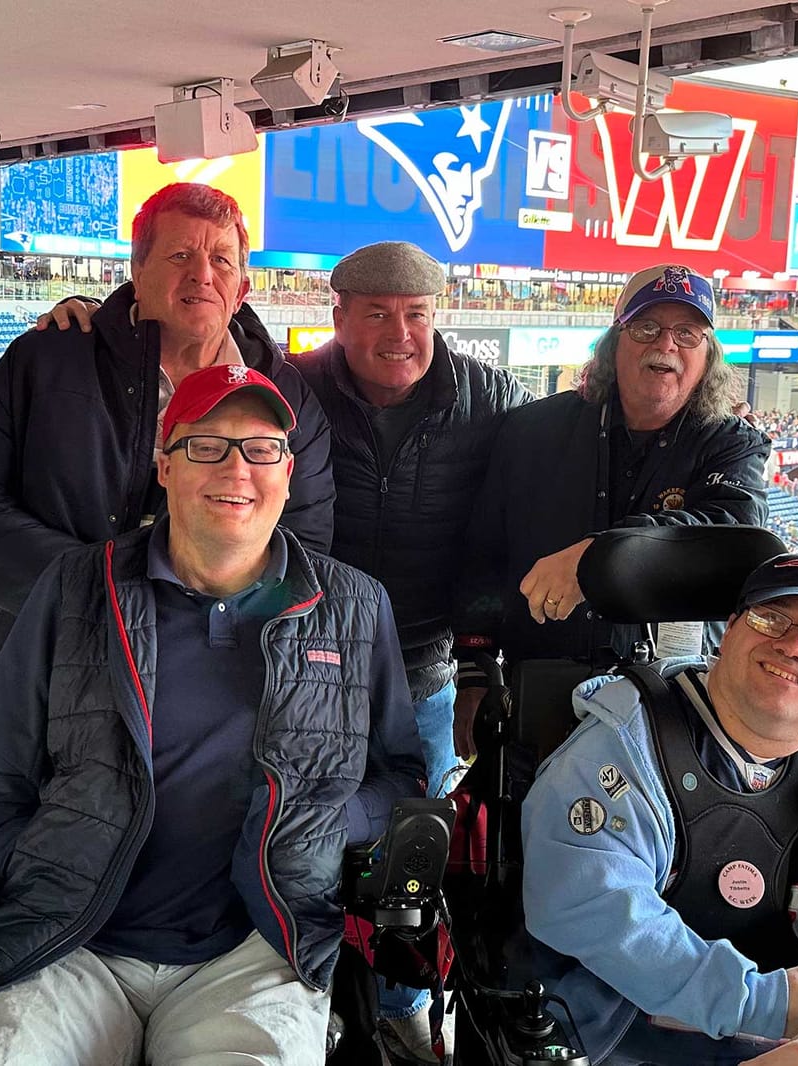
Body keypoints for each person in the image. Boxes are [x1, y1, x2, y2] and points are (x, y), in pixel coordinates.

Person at [42, 241, 535, 1061]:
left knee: (404, 851)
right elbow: (198, 327)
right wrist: (96, 322)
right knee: (272, 829)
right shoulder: (295, 388)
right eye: (374, 313)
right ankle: (284, 978)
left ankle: (400, 1003)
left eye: (414, 314)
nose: (397, 332)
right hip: (301, 651)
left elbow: (500, 537)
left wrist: (482, 659)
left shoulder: (489, 398)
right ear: (337, 316)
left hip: (424, 665)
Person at [0, 365, 423, 1064]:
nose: (237, 468)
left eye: (261, 449)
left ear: (287, 475)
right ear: (165, 469)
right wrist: (41, 859)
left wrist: (324, 827)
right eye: (207, 446)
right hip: (69, 941)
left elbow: (401, 778)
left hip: (257, 950)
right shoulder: (77, 589)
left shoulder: (355, 606)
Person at [0, 183, 335, 728]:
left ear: (241, 288)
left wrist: (200, 625)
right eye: (180, 255)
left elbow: (304, 541)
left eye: (220, 260)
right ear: (137, 274)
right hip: (35, 678)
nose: (202, 275)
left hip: (202, 693)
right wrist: (101, 596)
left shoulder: (287, 392)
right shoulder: (47, 360)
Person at [519, 551, 798, 1066]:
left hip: (791, 1036)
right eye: (770, 618)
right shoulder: (623, 745)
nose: (793, 646)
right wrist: (762, 1003)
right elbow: (590, 907)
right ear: (728, 631)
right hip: (624, 1037)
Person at [456, 264, 774, 748]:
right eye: (646, 327)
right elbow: (482, 557)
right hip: (539, 690)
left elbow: (736, 539)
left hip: (671, 703)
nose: (665, 345)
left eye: (687, 332)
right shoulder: (531, 430)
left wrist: (598, 559)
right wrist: (475, 672)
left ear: (708, 355)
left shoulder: (731, 442)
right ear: (613, 343)